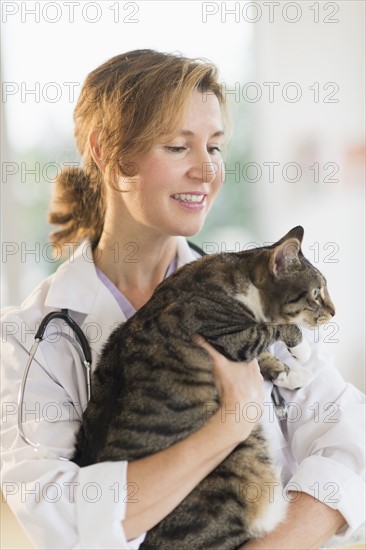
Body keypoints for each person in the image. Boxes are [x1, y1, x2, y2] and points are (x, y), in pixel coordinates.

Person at [1, 49, 364, 550]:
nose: (206, 170)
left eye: (214, 147)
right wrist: (226, 426)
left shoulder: (265, 291)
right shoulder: (31, 336)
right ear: (107, 151)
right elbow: (61, 519)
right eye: (177, 147)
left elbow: (350, 444)